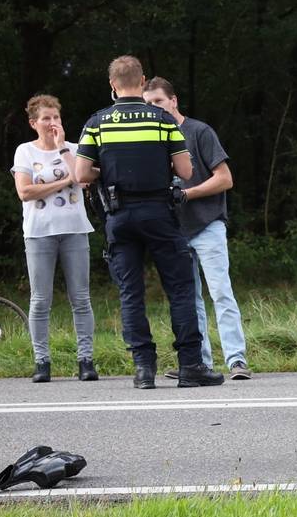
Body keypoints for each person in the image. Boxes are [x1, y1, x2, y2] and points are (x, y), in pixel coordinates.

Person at [73, 55, 224, 389]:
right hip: (159, 213)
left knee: (131, 293)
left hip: (119, 216)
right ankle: (191, 366)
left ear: (113, 85)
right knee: (181, 289)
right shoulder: (161, 119)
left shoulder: (97, 123)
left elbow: (81, 173)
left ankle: (143, 370)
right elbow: (185, 171)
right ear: (142, 83)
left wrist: (109, 171)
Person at [143, 77, 252, 380]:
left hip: (207, 224)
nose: (154, 109)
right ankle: (198, 362)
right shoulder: (151, 139)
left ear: (173, 101)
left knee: (220, 292)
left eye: (159, 102)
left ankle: (236, 360)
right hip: (174, 229)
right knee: (188, 299)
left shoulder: (199, 131)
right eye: (148, 104)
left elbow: (225, 178)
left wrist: (189, 193)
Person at [10, 94, 97, 383]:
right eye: (46, 118)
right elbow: (25, 192)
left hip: (74, 229)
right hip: (38, 233)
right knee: (40, 300)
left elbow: (83, 177)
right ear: (34, 122)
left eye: (56, 117)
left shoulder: (73, 148)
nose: (52, 123)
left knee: (81, 298)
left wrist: (62, 148)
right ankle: (42, 361)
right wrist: (63, 183)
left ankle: (86, 360)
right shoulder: (24, 152)